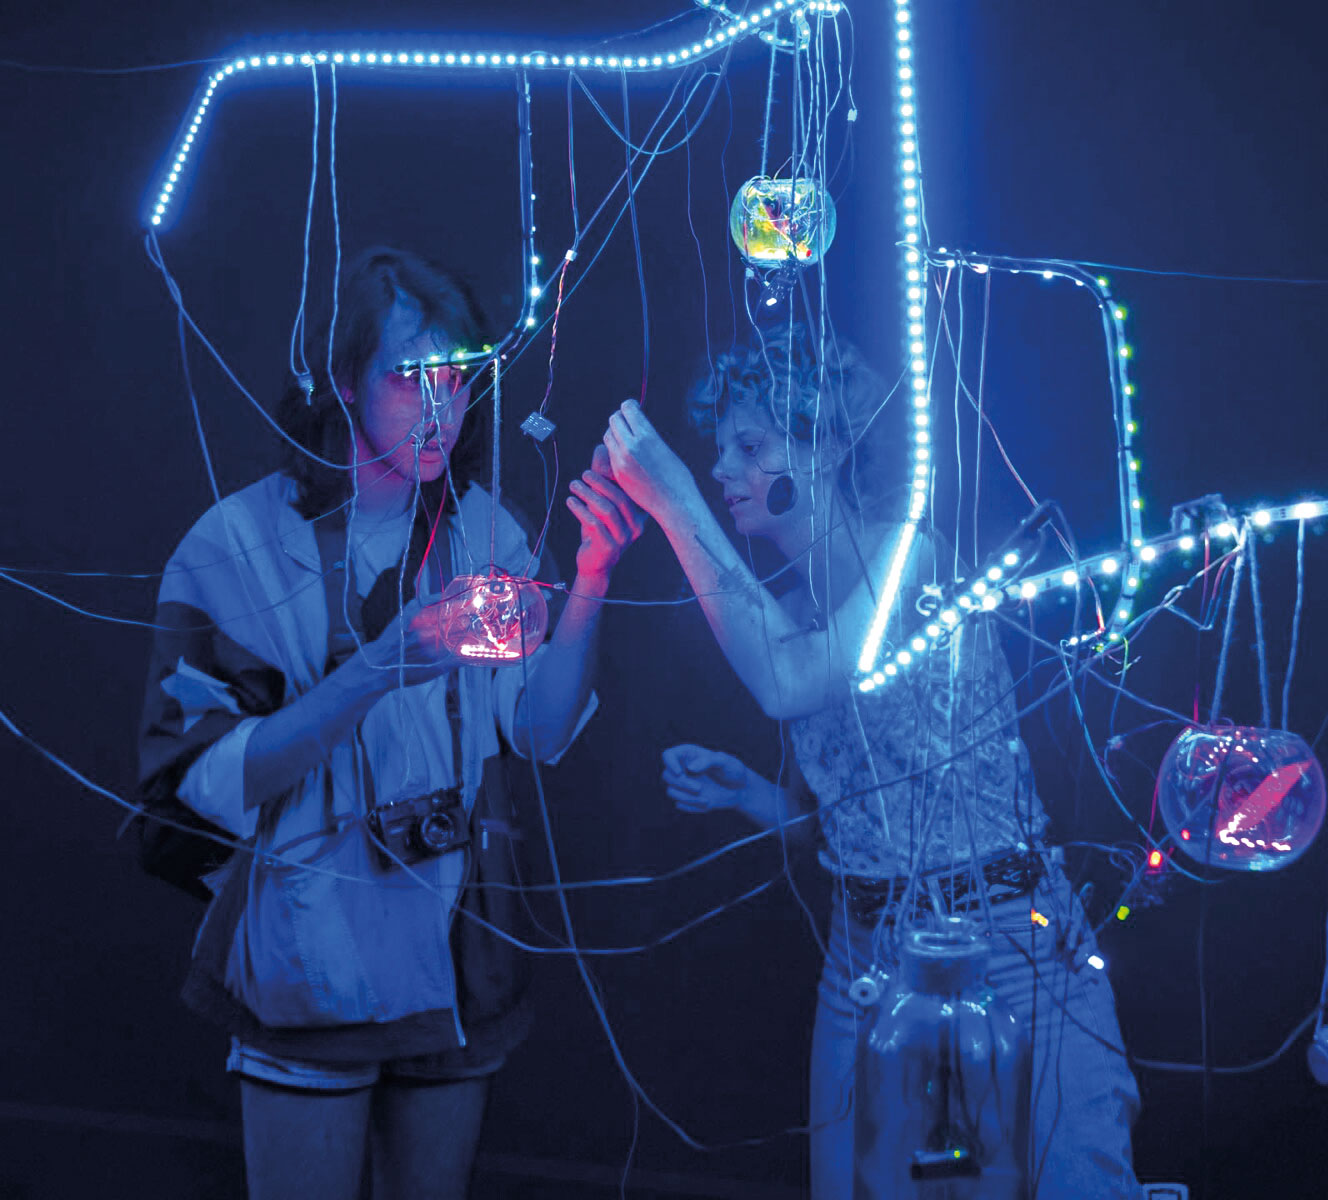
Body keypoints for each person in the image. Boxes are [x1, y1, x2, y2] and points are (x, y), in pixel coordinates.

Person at [135, 247, 645, 1200]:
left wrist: (591, 581)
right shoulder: (236, 544)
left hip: (455, 947)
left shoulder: (484, 530)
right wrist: (375, 671)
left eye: (458, 377)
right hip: (312, 947)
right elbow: (204, 779)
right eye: (411, 376)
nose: (442, 405)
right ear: (343, 380)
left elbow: (539, 731)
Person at [600, 327, 1142, 1198]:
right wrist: (751, 794)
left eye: (751, 447)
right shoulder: (782, 604)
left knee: (1074, 1182)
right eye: (718, 451)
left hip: (1012, 936)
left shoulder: (909, 554)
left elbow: (792, 682)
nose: (722, 469)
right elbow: (852, 825)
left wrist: (672, 502)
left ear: (830, 445)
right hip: (865, 955)